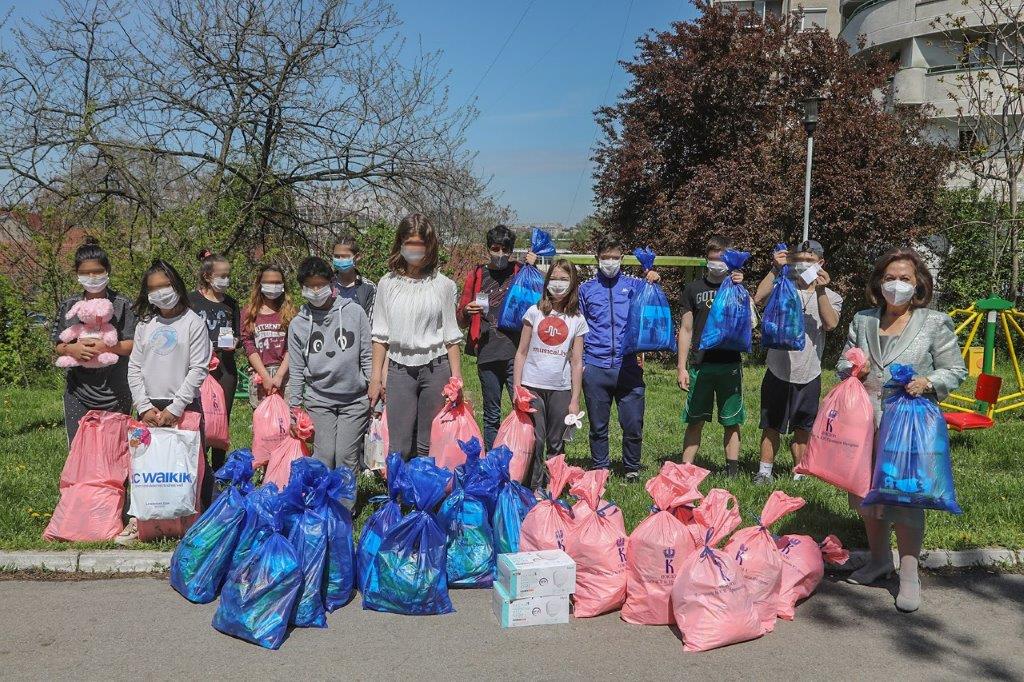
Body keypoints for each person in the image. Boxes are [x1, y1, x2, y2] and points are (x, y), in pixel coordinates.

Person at [839, 248, 965, 613]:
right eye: (890, 277)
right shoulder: (863, 320)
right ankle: (879, 560)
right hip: (865, 419)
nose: (897, 285)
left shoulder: (933, 322)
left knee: (906, 494)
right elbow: (844, 360)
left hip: (909, 423)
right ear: (879, 283)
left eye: (905, 279)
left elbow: (955, 369)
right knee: (866, 494)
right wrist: (851, 369)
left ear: (918, 284)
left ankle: (909, 571)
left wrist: (928, 381)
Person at [125, 260, 211, 545]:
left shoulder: (193, 323)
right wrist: (144, 405)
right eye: (153, 289)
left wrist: (176, 408)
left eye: (165, 286)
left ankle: (190, 523)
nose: (160, 293)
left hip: (183, 408)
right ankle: (140, 522)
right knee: (144, 468)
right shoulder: (145, 325)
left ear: (177, 285)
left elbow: (198, 368)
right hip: (148, 408)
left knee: (187, 469)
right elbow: (134, 367)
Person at [369, 213, 464, 459]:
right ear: (400, 244)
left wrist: (457, 379)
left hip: (436, 368)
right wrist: (376, 378)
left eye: (420, 244)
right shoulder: (387, 284)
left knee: (428, 442)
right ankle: (399, 496)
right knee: (399, 444)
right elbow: (380, 336)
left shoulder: (443, 285)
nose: (414, 250)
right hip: (400, 369)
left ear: (429, 246)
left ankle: (425, 494)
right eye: (409, 243)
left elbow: (452, 336)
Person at [751, 240, 842, 484]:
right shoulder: (783, 287)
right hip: (777, 369)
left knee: (803, 427)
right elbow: (757, 298)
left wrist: (821, 290)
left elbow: (831, 324)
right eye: (799, 260)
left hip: (809, 372)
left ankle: (800, 471)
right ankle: (764, 471)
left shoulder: (832, 296)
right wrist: (774, 269)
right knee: (771, 424)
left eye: (810, 261)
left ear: (821, 264)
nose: (803, 265)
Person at [578, 236, 659, 481]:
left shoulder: (634, 286)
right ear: (597, 259)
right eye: (605, 257)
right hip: (595, 365)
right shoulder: (586, 289)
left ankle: (631, 468)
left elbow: (650, 309)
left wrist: (653, 281)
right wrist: (581, 362)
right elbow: (578, 328)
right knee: (598, 425)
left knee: (633, 422)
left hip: (628, 365)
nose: (610, 262)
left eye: (615, 257)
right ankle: (600, 468)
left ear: (622, 259)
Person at [286, 256, 371, 481]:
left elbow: (367, 356)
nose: (315, 291)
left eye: (320, 285)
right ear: (302, 288)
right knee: (323, 457)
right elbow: (296, 370)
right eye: (309, 286)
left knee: (345, 457)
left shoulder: (354, 313)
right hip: (319, 400)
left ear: (332, 283)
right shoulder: (298, 325)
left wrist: (376, 394)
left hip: (354, 400)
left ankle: (343, 510)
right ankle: (322, 508)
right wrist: (294, 409)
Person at [457, 225, 538, 449]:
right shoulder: (477, 275)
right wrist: (466, 311)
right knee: (491, 414)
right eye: (495, 248)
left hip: (517, 354)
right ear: (488, 248)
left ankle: (522, 456)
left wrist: (534, 266)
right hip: (487, 353)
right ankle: (493, 460)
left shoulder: (521, 272)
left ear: (511, 250)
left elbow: (541, 299)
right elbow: (460, 318)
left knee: (522, 408)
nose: (500, 254)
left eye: (505, 249)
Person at [51, 238, 137, 445]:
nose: (92, 277)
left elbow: (134, 345)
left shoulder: (123, 305)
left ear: (107, 271)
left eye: (98, 271)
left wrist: (108, 346)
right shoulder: (69, 306)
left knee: (114, 446)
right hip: (77, 390)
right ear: (77, 274)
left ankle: (116, 479)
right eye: (85, 273)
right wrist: (72, 349)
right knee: (80, 447)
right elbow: (57, 345)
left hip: (116, 390)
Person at [676, 234, 749, 476]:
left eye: (720, 260)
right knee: (694, 419)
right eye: (711, 259)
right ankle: (686, 469)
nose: (716, 264)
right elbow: (686, 330)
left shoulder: (737, 289)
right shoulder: (693, 289)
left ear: (728, 261)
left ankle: (732, 470)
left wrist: (741, 287)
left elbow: (749, 322)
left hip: (729, 364)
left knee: (731, 419)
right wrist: (682, 367)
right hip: (701, 364)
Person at [513, 258, 588, 492]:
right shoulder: (534, 312)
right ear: (546, 282)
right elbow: (521, 353)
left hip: (561, 389)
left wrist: (575, 399)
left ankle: (552, 486)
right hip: (532, 385)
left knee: (556, 442)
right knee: (535, 440)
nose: (558, 284)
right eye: (554, 278)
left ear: (572, 284)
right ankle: (532, 487)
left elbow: (577, 362)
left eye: (564, 279)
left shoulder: (577, 320)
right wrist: (518, 388)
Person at [188, 250, 240, 505]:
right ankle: (199, 471)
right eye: (222, 276)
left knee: (220, 423)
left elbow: (237, 334)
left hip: (225, 371)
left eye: (228, 276)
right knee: (199, 420)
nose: (226, 280)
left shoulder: (230, 303)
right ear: (208, 276)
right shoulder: (190, 301)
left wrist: (234, 343)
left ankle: (219, 475)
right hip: (197, 370)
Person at [241, 264, 295, 407]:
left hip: (285, 374)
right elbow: (248, 344)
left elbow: (294, 346)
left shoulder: (290, 312)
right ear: (260, 284)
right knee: (263, 422)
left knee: (287, 422)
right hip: (260, 373)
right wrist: (264, 375)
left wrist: (279, 376)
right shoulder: (249, 313)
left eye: (277, 283)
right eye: (269, 283)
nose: (273, 286)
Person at [329, 235, 376, 316]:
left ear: (357, 257)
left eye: (345, 256)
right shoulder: (327, 284)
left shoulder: (368, 288)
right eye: (336, 256)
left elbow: (369, 323)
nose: (340, 260)